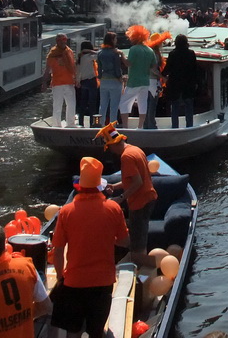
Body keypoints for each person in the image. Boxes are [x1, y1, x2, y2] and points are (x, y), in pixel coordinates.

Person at [49, 156, 130, 338]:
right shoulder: (113, 209)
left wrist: (61, 276)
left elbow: (59, 250)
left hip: (74, 282)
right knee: (96, 332)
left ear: (79, 186)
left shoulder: (66, 212)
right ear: (100, 185)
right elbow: (124, 242)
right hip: (103, 281)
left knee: (73, 331)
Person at [97, 124, 157, 270]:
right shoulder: (136, 150)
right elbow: (131, 180)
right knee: (140, 242)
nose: (111, 151)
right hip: (149, 198)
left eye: (109, 147)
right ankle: (145, 269)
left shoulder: (126, 157)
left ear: (114, 144)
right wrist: (115, 186)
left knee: (136, 251)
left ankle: (156, 268)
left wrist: (121, 197)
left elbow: (137, 182)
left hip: (140, 203)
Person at [120, 25, 160, 127]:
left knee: (124, 103)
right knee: (143, 104)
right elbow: (153, 66)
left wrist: (122, 55)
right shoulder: (150, 50)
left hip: (134, 81)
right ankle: (140, 127)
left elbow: (128, 63)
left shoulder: (133, 49)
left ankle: (125, 126)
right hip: (145, 81)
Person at [162, 33, 201, 128]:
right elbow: (195, 69)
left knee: (175, 107)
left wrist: (162, 74)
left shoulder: (172, 54)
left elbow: (167, 69)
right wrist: (196, 83)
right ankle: (189, 126)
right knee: (189, 107)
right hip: (188, 84)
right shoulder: (191, 53)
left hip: (175, 85)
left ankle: (175, 127)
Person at [43, 33, 77, 127]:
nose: (62, 42)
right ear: (56, 41)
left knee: (71, 104)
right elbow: (47, 70)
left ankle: (70, 123)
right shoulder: (52, 54)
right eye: (60, 40)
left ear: (66, 40)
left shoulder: (69, 51)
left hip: (69, 82)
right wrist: (44, 83)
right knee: (57, 105)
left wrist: (76, 79)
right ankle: (56, 124)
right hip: (57, 83)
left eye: (64, 40)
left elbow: (73, 66)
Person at [96, 31, 125, 126]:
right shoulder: (115, 53)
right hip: (114, 81)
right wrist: (120, 78)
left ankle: (100, 124)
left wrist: (100, 77)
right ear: (112, 40)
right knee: (114, 106)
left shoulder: (100, 53)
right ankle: (113, 126)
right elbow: (117, 68)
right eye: (115, 39)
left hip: (104, 80)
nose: (116, 40)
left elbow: (99, 68)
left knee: (103, 105)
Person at [75, 40, 99, 127]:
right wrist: (91, 51)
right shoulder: (89, 57)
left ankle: (81, 123)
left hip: (83, 82)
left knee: (83, 103)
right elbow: (99, 55)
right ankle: (92, 124)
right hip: (91, 81)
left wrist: (77, 81)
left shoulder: (79, 58)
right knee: (92, 103)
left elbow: (78, 72)